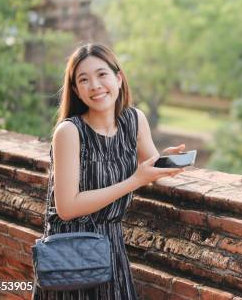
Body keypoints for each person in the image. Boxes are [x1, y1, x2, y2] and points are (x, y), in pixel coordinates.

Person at [33, 43, 185, 299]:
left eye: (102, 74)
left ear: (118, 78)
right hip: (71, 252)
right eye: (84, 79)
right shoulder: (69, 132)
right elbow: (67, 207)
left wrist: (167, 162)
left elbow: (152, 167)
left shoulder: (134, 120)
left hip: (112, 247)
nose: (95, 85)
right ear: (76, 90)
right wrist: (136, 180)